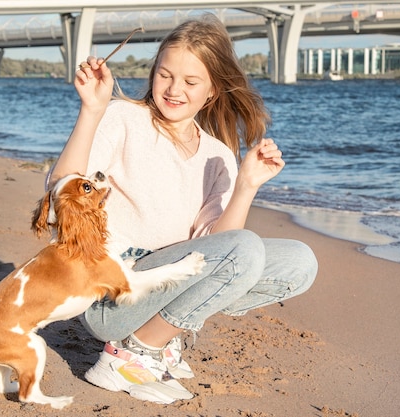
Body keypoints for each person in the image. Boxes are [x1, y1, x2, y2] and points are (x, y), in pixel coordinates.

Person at [47, 14, 317, 404]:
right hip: (113, 294)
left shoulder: (219, 156)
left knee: (299, 261)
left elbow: (219, 247)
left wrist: (245, 186)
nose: (174, 90)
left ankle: (162, 334)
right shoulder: (123, 118)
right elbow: (61, 197)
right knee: (245, 249)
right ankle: (132, 354)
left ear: (212, 91)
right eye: (165, 75)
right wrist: (91, 110)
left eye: (191, 82)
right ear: (154, 72)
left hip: (171, 279)